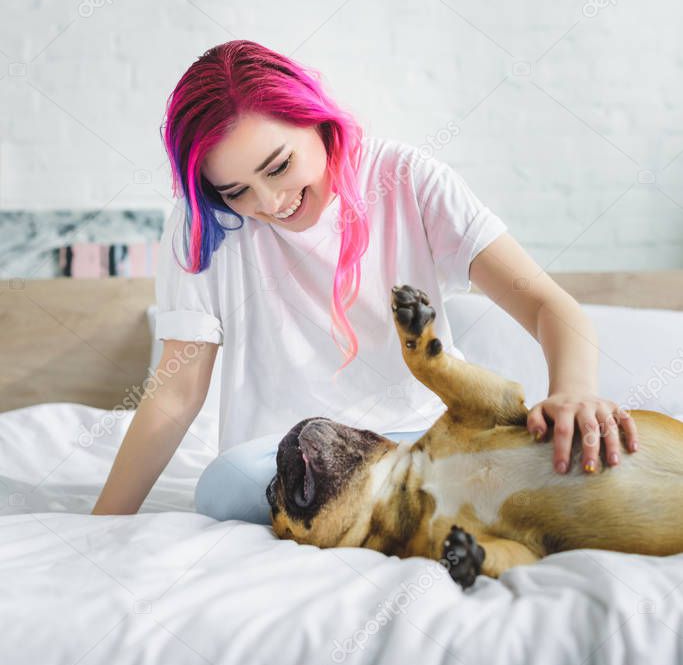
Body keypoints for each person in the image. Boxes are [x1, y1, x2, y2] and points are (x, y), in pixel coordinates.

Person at [91, 39, 639, 519]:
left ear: (316, 121)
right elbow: (176, 392)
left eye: (279, 167)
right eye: (236, 191)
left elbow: (549, 305)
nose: (269, 203)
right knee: (223, 488)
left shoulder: (406, 178)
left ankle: (401, 512)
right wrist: (102, 529)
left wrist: (573, 393)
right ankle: (406, 516)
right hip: (287, 469)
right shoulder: (201, 226)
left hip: (426, 446)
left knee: (570, 468)